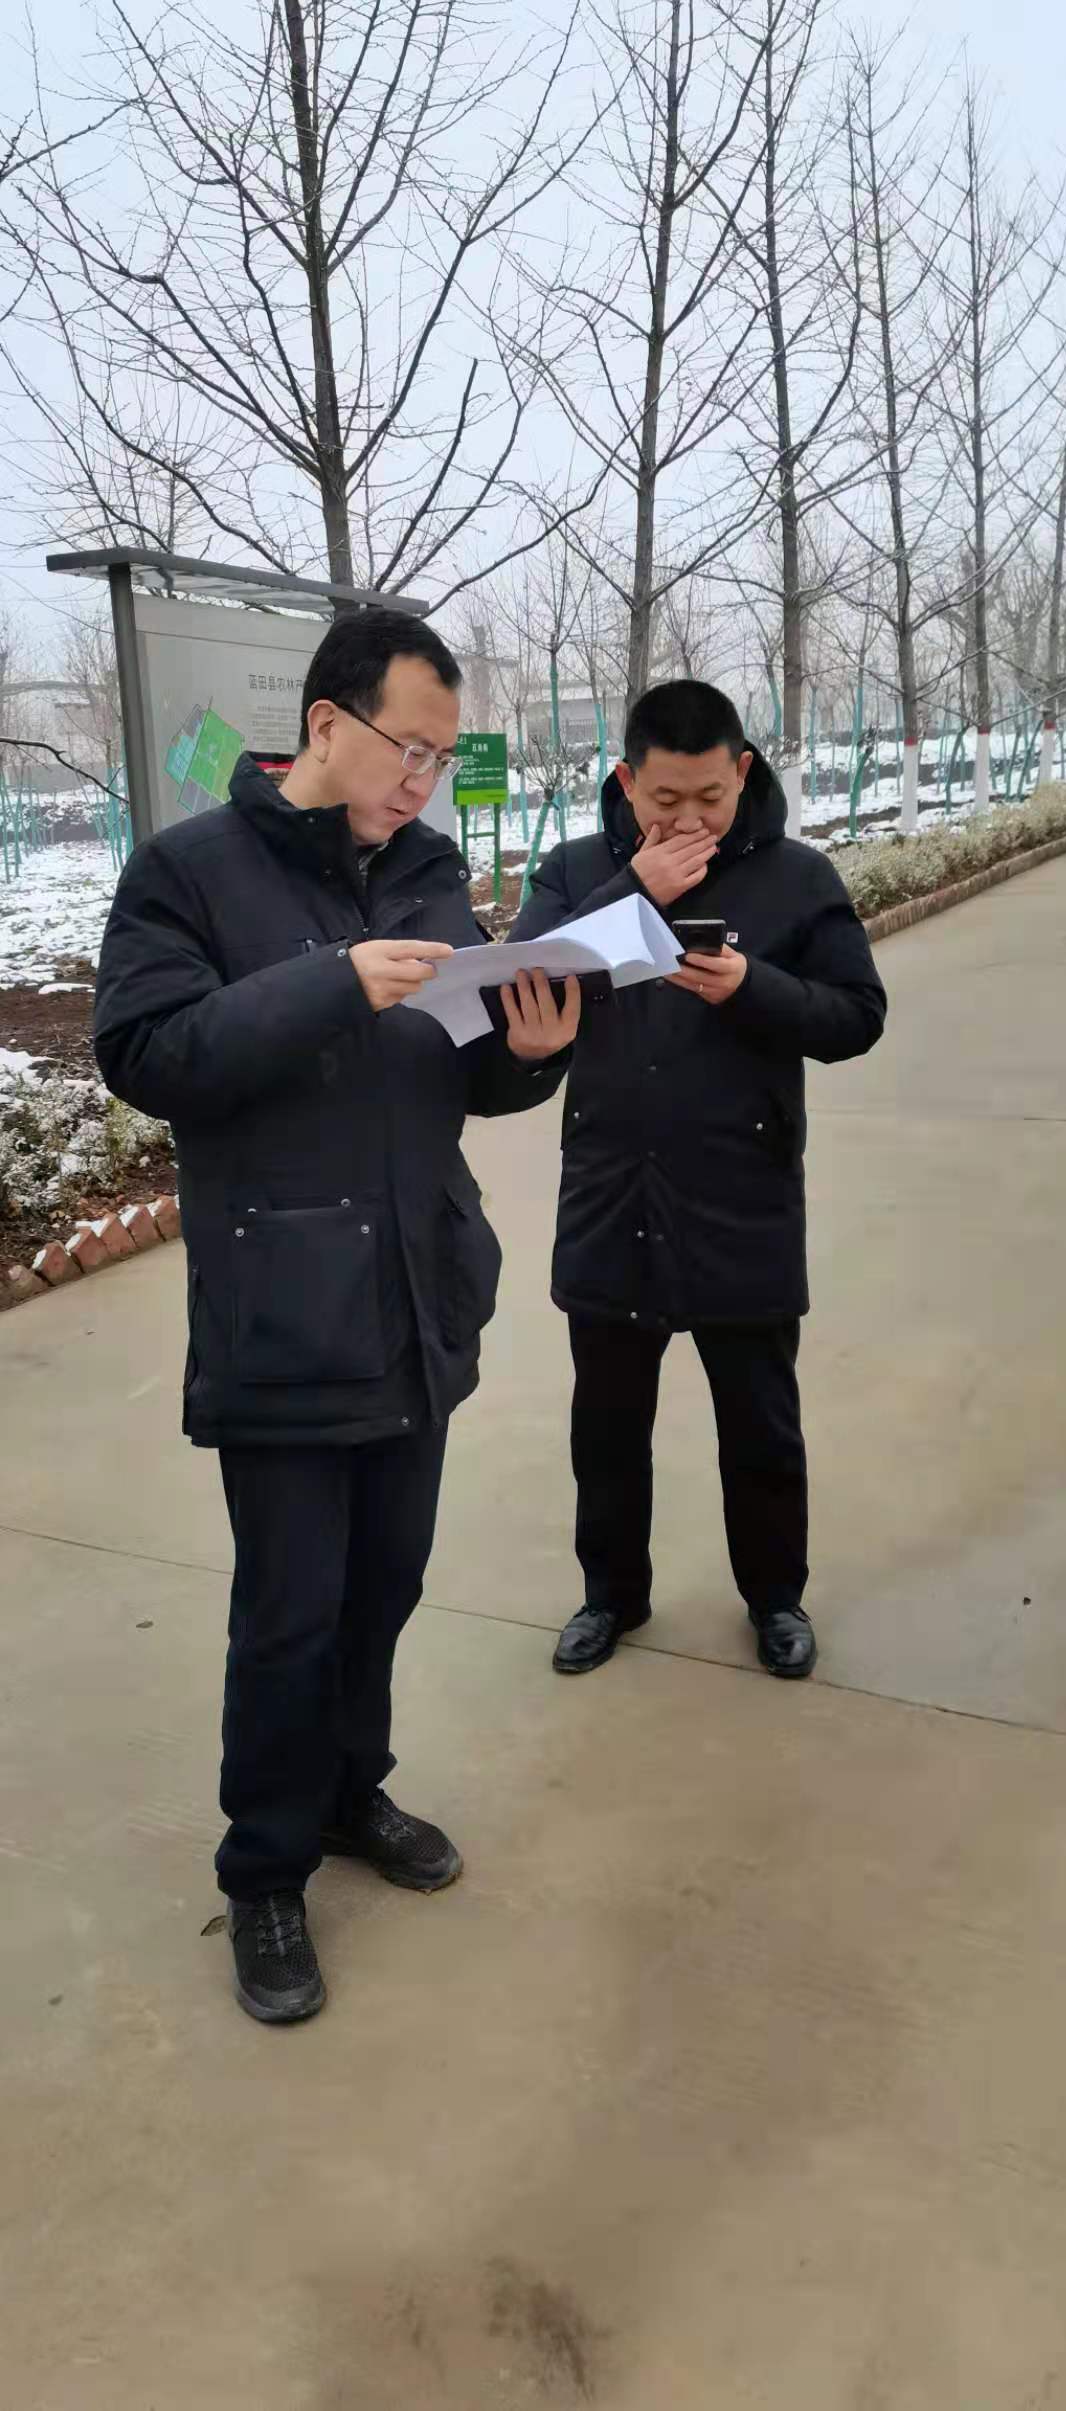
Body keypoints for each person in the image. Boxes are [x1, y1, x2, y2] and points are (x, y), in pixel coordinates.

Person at [95, 608, 579, 2024]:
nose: (425, 777)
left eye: (442, 754)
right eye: (408, 747)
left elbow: (458, 1066)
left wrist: (531, 1053)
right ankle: (263, 1867)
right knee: (290, 1611)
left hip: (416, 1298)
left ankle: (351, 1790)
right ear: (325, 723)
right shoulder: (190, 870)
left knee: (386, 1584)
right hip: (288, 1314)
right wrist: (330, 981)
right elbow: (147, 1052)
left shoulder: (424, 869)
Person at [511, 678, 886, 1683]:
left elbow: (857, 1014)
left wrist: (755, 987)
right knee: (606, 1423)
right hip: (612, 1192)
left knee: (760, 1422)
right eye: (666, 799)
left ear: (743, 773)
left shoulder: (797, 878)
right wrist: (635, 892)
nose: (689, 819)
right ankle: (610, 1594)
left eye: (710, 798)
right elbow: (525, 978)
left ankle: (776, 1597)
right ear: (627, 780)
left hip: (741, 1194)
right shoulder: (577, 871)